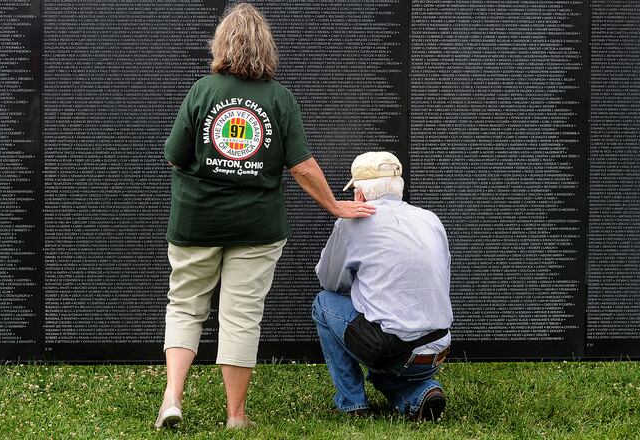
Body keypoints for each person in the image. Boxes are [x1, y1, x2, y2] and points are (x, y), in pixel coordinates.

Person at [155, 3, 376, 430]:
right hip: (257, 227)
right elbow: (302, 167)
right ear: (265, 47)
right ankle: (235, 416)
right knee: (241, 315)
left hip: (195, 222)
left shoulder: (202, 91)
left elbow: (174, 157)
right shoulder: (279, 98)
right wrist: (334, 206)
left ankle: (172, 398)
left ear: (221, 44)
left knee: (185, 306)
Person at [312, 151, 453, 421]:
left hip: (391, 349)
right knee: (387, 356)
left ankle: (352, 403)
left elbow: (329, 281)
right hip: (438, 347)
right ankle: (422, 393)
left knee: (323, 303)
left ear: (360, 194)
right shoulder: (431, 219)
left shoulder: (352, 222)